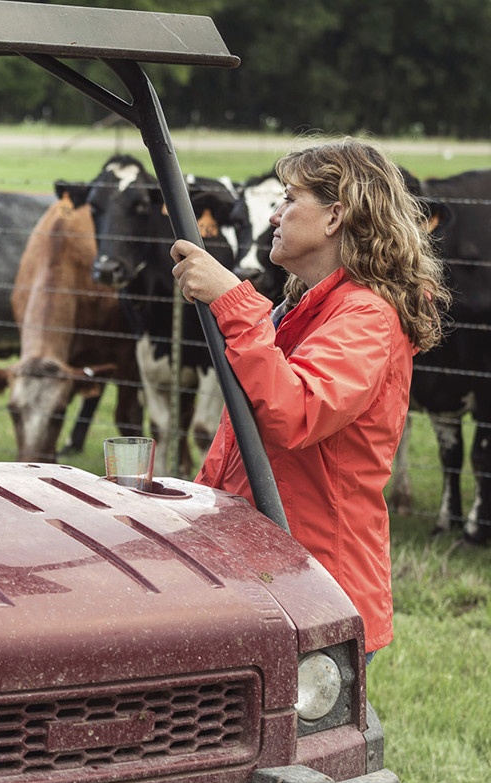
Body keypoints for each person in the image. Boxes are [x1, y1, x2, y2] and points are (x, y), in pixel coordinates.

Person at [170, 139, 450, 660]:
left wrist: (234, 301)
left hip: (318, 588)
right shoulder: (303, 310)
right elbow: (242, 443)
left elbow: (295, 412)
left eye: (289, 198)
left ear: (335, 216)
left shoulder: (366, 317)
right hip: (272, 572)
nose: (273, 214)